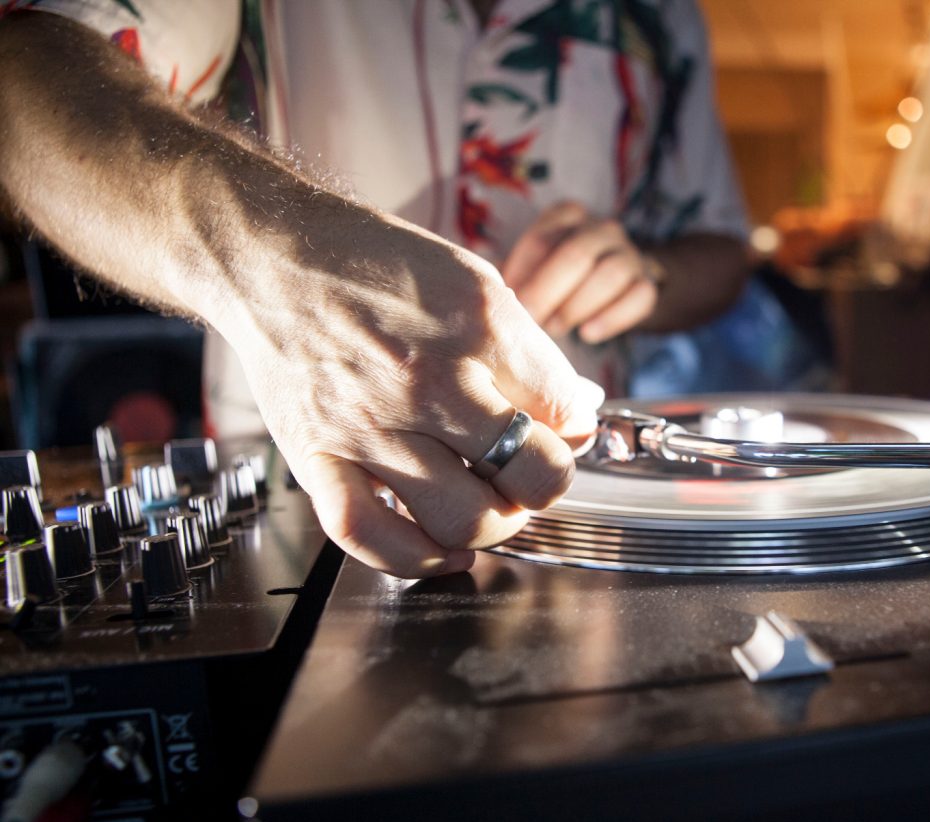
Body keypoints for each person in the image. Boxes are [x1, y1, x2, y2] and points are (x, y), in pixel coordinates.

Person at [0, 1, 750, 577]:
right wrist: (275, 273)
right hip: (292, 496)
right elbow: (23, 75)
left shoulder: (664, 12)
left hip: (578, 508)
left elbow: (722, 247)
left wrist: (652, 276)